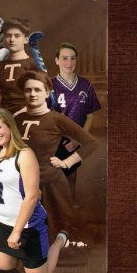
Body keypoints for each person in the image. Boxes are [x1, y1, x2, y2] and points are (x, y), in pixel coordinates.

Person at [13, 71, 98, 241]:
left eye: (37, 90)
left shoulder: (56, 119)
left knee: (54, 230)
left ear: (47, 93)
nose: (32, 94)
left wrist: (66, 162)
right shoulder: (17, 119)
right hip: (19, 182)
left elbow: (91, 143)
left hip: (50, 184)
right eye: (28, 90)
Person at [0, 109, 68, 273]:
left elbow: (32, 196)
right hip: (2, 222)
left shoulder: (25, 155)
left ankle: (60, 240)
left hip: (26, 225)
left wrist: (17, 232)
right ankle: (26, 258)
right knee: (4, 266)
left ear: (10, 127)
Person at [51, 43, 102, 204]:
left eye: (72, 58)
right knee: (52, 175)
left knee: (71, 173)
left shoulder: (85, 85)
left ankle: (71, 202)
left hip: (75, 140)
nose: (69, 62)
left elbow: (90, 116)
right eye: (64, 58)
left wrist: (79, 139)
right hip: (54, 139)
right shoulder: (49, 85)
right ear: (57, 61)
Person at [0, 18, 38, 115]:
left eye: (17, 36)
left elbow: (41, 96)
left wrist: (23, 111)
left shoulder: (33, 65)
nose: (12, 40)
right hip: (3, 114)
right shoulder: (0, 66)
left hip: (26, 114)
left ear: (26, 39)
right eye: (8, 36)